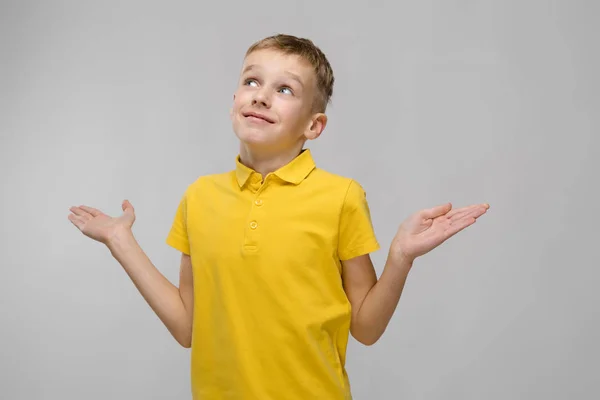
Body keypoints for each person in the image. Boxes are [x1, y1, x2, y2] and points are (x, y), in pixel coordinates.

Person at [68, 33, 489, 399]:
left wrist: (400, 257)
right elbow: (187, 328)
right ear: (234, 99)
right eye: (251, 80)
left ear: (314, 125)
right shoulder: (199, 197)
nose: (261, 95)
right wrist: (120, 241)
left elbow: (366, 328)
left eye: (285, 89)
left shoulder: (341, 196)